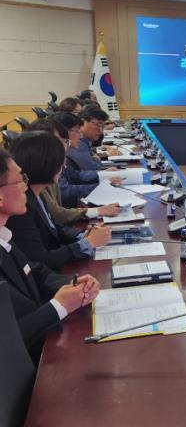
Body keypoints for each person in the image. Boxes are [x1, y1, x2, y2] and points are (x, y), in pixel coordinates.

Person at [0, 148, 99, 362]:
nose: (25, 186)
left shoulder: (4, 236)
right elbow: (7, 339)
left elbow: (34, 270)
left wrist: (73, 285)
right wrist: (59, 306)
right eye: (20, 180)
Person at [6, 132, 111, 269]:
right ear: (46, 165)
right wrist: (88, 243)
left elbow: (55, 229)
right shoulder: (21, 207)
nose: (64, 164)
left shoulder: (37, 193)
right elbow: (41, 260)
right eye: (61, 160)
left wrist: (84, 235)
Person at [27, 117, 120, 223]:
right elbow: (60, 205)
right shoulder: (39, 172)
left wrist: (103, 177)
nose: (80, 136)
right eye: (63, 141)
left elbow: (75, 175)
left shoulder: (53, 161)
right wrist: (98, 209)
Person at [65, 107, 111, 171]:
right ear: (83, 122)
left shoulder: (85, 141)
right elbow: (92, 168)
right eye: (97, 125)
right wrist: (97, 159)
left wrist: (96, 155)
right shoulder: (78, 143)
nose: (100, 130)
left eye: (103, 126)